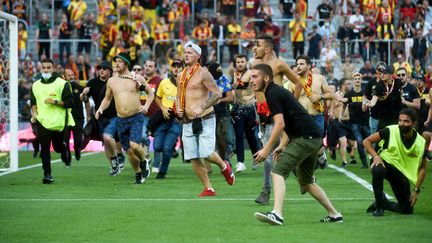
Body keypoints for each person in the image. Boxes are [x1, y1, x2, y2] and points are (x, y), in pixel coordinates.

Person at [252, 64, 343, 225]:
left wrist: (266, 149)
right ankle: (334, 214)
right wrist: (281, 145)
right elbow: (289, 122)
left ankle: (277, 214)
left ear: (266, 78)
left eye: (255, 77)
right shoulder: (275, 92)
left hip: (306, 138)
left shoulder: (272, 93)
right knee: (307, 182)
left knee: (278, 171)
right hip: (313, 137)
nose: (251, 80)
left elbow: (279, 124)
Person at [175, 42, 235, 196]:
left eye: (190, 52)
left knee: (206, 153)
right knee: (192, 156)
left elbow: (217, 94)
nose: (186, 54)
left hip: (205, 117)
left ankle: (224, 165)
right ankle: (209, 188)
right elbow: (178, 96)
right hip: (187, 120)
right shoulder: (180, 75)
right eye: (185, 52)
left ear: (198, 56)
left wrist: (201, 107)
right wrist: (178, 109)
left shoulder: (203, 73)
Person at [96, 52, 154, 184]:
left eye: (120, 61)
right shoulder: (111, 81)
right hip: (120, 120)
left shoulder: (136, 78)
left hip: (136, 117)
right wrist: (100, 108)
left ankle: (144, 161)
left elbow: (150, 94)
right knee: (129, 151)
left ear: (126, 63)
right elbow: (107, 98)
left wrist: (146, 107)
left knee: (134, 145)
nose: (116, 64)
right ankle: (138, 174)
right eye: (115, 61)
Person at [363, 108, 428, 216]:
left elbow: (422, 168)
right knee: (377, 169)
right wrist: (376, 157)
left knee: (407, 210)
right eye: (400, 120)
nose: (402, 124)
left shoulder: (420, 143)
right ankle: (379, 206)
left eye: (406, 121)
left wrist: (416, 190)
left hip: (399, 172)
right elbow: (366, 141)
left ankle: (384, 203)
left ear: (414, 123)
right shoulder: (391, 130)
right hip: (384, 162)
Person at [30, 58, 74, 184]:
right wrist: (34, 114)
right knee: (44, 148)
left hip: (59, 122)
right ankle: (47, 174)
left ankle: (63, 148)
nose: (46, 70)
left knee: (58, 148)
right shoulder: (35, 85)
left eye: (49, 68)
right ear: (41, 68)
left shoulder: (63, 84)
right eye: (44, 68)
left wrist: (54, 102)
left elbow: (70, 103)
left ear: (54, 69)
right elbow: (33, 101)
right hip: (42, 121)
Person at [81, 61, 126, 176]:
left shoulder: (114, 82)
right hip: (100, 117)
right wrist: (83, 94)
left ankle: (119, 154)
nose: (101, 70)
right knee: (106, 141)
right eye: (100, 68)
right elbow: (83, 98)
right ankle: (114, 164)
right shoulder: (93, 83)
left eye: (104, 68)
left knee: (116, 139)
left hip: (115, 116)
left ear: (110, 71)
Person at [290, 55, 334, 168]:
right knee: (304, 145)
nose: (298, 67)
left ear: (309, 66)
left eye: (301, 64)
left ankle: (320, 154)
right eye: (297, 64)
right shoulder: (293, 81)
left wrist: (320, 96)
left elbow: (331, 94)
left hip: (317, 116)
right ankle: (311, 166)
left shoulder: (319, 78)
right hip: (302, 119)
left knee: (316, 146)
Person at [152, 59, 183, 179]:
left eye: (178, 66)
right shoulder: (164, 83)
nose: (176, 68)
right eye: (174, 66)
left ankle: (162, 171)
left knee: (166, 148)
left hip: (176, 121)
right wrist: (163, 109)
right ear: (171, 68)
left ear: (182, 68)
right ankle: (172, 146)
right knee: (157, 147)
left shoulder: (186, 84)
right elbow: (157, 98)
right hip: (163, 118)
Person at [231, 54, 261, 173]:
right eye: (238, 62)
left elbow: (240, 85)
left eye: (242, 62)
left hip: (249, 107)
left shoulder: (250, 73)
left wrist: (228, 87)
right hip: (238, 108)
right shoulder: (235, 74)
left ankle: (255, 157)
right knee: (239, 134)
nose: (240, 64)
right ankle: (240, 162)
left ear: (246, 62)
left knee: (250, 135)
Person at [344, 73, 370, 168]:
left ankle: (374, 158)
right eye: (356, 78)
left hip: (366, 122)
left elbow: (372, 104)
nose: (358, 80)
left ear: (361, 80)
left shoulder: (366, 93)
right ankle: (364, 163)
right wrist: (342, 115)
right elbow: (344, 104)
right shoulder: (349, 94)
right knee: (359, 141)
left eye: (359, 78)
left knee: (371, 142)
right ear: (353, 81)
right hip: (354, 122)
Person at [63, 68, 86, 161]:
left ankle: (77, 149)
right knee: (65, 140)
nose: (71, 76)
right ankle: (67, 155)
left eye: (72, 74)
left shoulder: (79, 88)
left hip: (78, 118)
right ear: (64, 77)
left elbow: (86, 100)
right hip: (65, 118)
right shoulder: (61, 89)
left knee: (78, 140)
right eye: (69, 75)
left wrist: (84, 97)